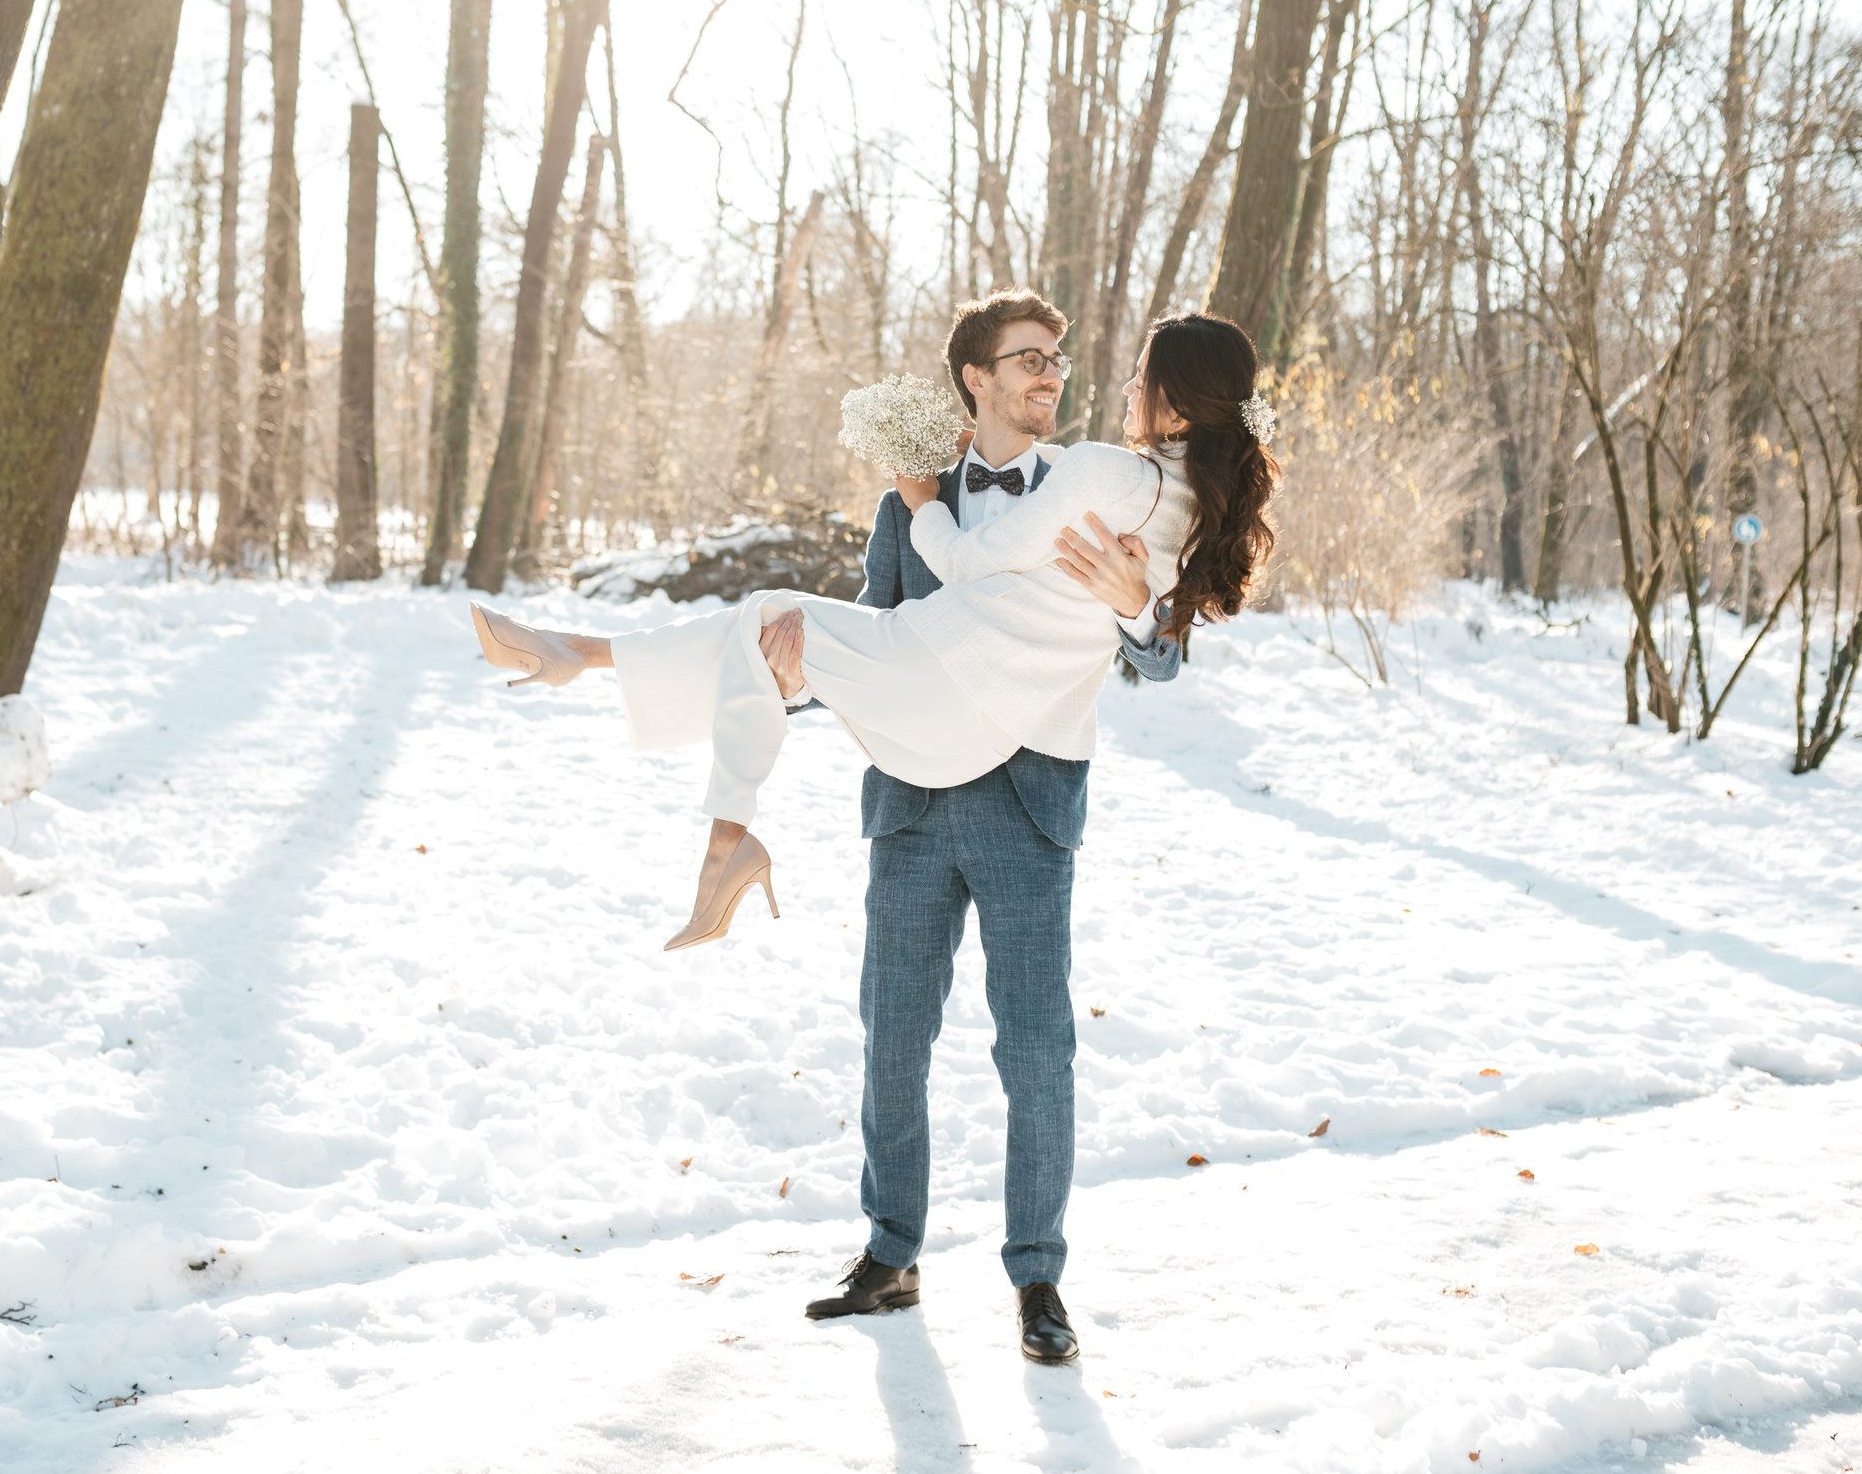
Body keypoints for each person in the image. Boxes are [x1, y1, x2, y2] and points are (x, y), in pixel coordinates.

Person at [472, 299, 1279, 1361]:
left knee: (1035, 1049)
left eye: (1061, 360)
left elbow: (1158, 653)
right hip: (912, 784)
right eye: (1029, 360)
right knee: (892, 1037)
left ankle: (1038, 1281)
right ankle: (889, 1251)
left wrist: (1134, 606)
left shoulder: (1107, 481)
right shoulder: (920, 504)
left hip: (1025, 804)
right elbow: (873, 620)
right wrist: (791, 678)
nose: (1055, 376)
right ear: (972, 383)